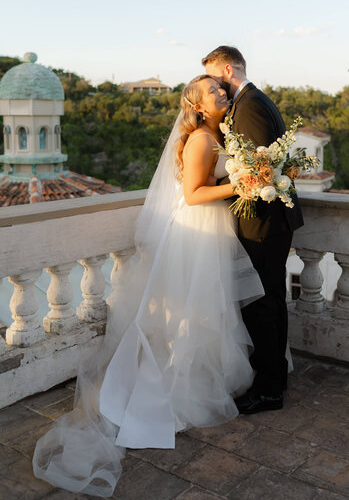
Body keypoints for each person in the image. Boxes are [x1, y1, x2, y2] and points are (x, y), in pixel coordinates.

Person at [33, 74, 264, 498]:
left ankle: (186, 381)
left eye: (222, 88)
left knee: (198, 313)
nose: (222, 93)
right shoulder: (200, 140)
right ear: (196, 106)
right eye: (213, 91)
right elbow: (193, 195)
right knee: (174, 319)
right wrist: (243, 184)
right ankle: (145, 393)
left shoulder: (218, 134)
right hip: (192, 234)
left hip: (207, 233)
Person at [202, 46, 304, 413]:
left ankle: (269, 390)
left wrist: (240, 185)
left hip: (262, 223)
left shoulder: (251, 106)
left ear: (228, 70)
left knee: (263, 305)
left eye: (215, 78)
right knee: (270, 301)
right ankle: (275, 379)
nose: (215, 86)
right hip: (266, 222)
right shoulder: (252, 101)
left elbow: (261, 170)